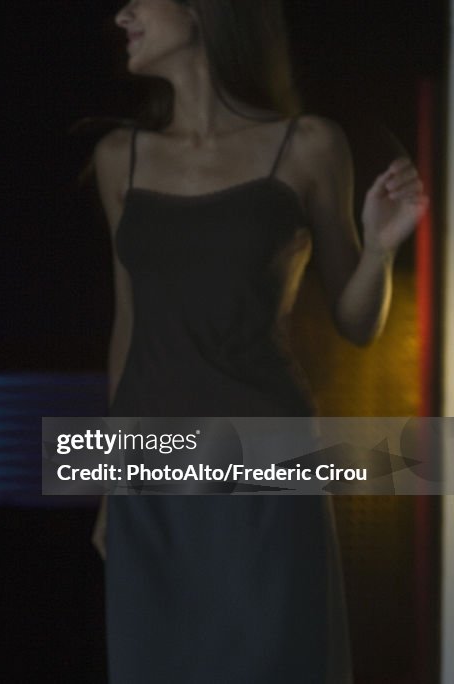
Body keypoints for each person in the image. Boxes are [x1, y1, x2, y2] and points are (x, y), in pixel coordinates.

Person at [90, 1, 425, 681]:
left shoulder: (308, 145)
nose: (122, 14)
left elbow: (357, 323)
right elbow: (128, 328)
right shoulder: (117, 158)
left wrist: (382, 250)